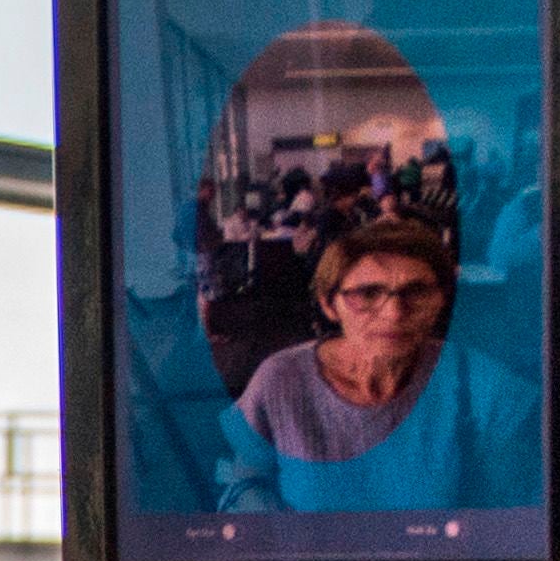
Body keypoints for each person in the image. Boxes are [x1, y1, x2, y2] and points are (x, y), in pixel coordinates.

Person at [213, 220, 538, 516]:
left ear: (442, 300)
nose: (395, 313)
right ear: (330, 304)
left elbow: (512, 515)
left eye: (417, 291)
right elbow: (246, 483)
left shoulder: (482, 388)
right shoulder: (283, 380)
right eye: (368, 294)